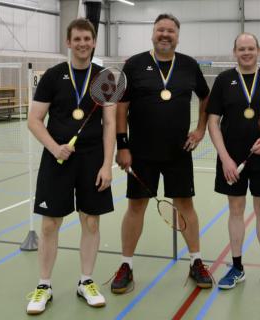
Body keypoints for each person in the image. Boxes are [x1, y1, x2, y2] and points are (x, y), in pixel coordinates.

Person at [110, 13, 212, 293]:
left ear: (177, 36)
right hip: (140, 152)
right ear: (153, 34)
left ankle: (196, 261)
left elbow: (206, 96)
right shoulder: (134, 64)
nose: (165, 35)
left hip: (179, 150)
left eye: (170, 31)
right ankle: (126, 265)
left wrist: (201, 129)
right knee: (135, 207)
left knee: (186, 205)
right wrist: (123, 145)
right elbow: (122, 105)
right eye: (160, 30)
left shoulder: (189, 66)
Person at [26, 18, 116, 314]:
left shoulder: (105, 78)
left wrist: (107, 165)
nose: (82, 44)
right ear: (68, 42)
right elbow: (34, 120)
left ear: (93, 42)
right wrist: (55, 148)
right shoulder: (52, 76)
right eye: (76, 39)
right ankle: (43, 285)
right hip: (57, 160)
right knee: (50, 224)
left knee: (91, 221)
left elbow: (110, 124)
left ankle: (86, 281)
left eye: (86, 39)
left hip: (92, 161)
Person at [207, 33, 260, 290]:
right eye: (241, 49)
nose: (246, 52)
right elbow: (213, 122)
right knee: (235, 211)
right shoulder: (223, 80)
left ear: (258, 50)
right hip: (232, 160)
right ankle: (237, 267)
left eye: (250, 48)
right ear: (234, 52)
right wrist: (225, 158)